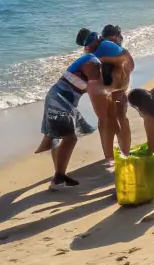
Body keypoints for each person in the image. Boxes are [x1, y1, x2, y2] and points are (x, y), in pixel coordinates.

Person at [35, 46, 103, 188]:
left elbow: (94, 86)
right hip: (58, 100)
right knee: (70, 137)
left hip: (64, 101)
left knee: (57, 137)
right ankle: (58, 178)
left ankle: (59, 174)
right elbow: (95, 83)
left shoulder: (93, 62)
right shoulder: (92, 61)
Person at [77, 26, 134, 160]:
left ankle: (122, 153)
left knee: (117, 117)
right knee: (109, 120)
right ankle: (114, 155)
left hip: (116, 85)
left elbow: (128, 66)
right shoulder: (94, 49)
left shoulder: (106, 47)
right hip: (108, 86)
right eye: (86, 44)